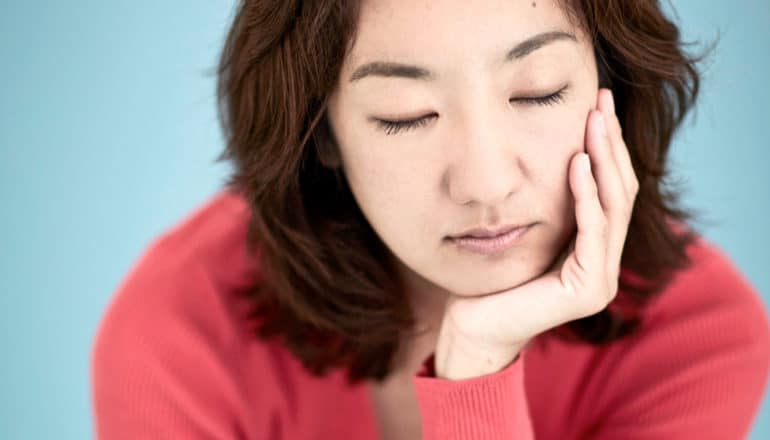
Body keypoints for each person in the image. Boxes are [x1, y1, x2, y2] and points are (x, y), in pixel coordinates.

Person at [91, 0, 770, 438]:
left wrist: (477, 368)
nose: (486, 184)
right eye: (405, 114)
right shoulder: (183, 328)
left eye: (538, 93)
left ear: (610, 89)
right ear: (321, 133)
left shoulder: (698, 337)